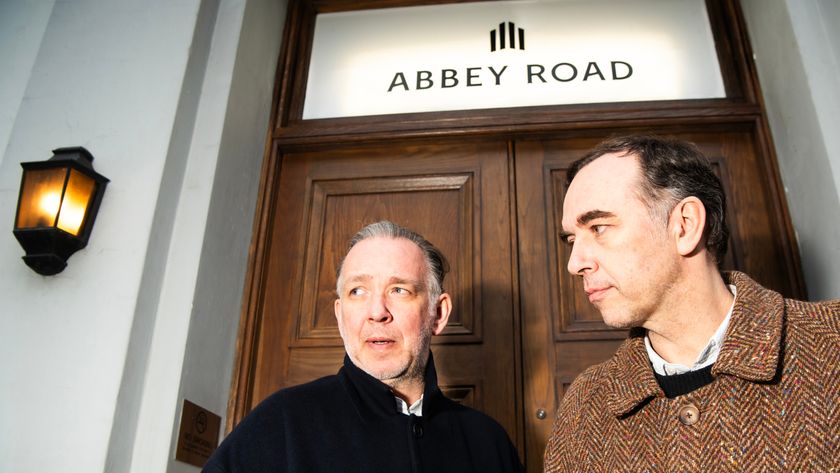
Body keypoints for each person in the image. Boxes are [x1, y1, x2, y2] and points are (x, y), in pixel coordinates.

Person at [544, 136, 839, 472]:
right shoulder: (584, 406)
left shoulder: (832, 342)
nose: (574, 263)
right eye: (572, 239)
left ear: (685, 225)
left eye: (598, 227)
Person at [203, 221, 523, 473]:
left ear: (438, 314)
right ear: (340, 316)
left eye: (399, 290)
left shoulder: (488, 442)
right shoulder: (281, 423)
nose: (377, 312)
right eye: (358, 291)